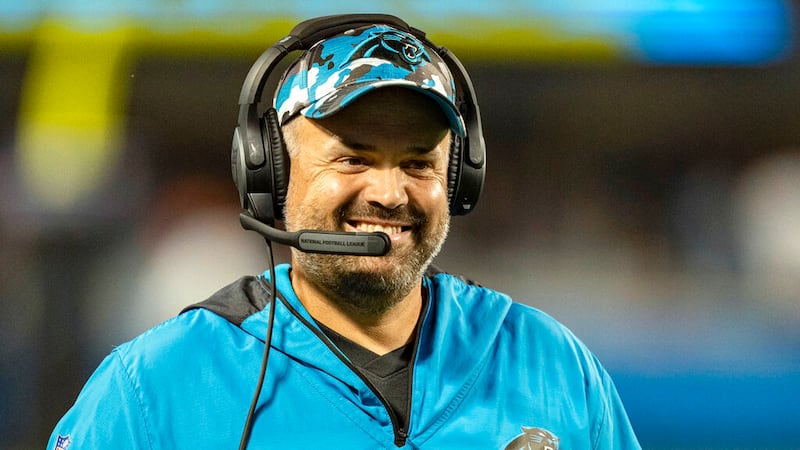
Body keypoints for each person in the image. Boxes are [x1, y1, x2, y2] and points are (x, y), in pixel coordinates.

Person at [48, 14, 641, 449]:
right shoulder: (157, 387)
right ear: (270, 173)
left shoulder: (552, 365)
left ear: (459, 180)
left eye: (418, 163)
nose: (389, 193)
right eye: (353, 158)